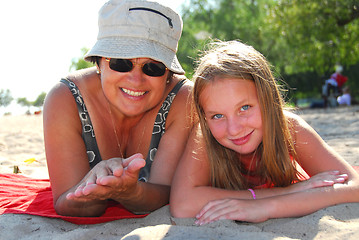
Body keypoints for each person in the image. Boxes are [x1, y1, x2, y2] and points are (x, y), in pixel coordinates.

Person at [170, 40, 359, 224]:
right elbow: (182, 205)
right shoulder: (205, 135)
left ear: (268, 99)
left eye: (244, 107)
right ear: (204, 117)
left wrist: (266, 207)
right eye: (217, 116)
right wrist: (289, 191)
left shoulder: (289, 128)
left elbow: (354, 186)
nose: (234, 129)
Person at [43, 0, 194, 217]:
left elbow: (167, 193)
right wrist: (92, 191)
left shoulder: (182, 100)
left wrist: (129, 193)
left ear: (169, 74)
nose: (136, 79)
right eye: (121, 63)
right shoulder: (65, 99)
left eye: (153, 67)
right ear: (99, 63)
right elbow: (66, 202)